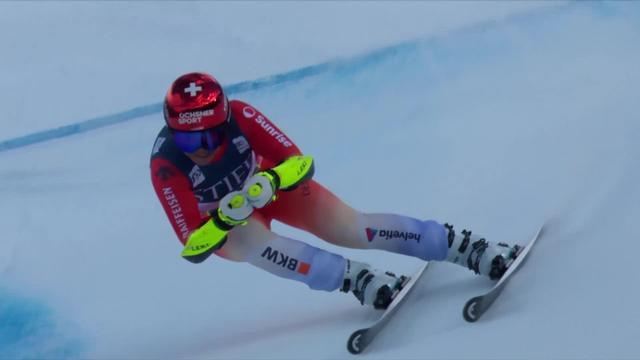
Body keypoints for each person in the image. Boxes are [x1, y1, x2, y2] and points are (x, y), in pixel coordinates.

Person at [150, 72, 520, 309]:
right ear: (171, 133)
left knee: (350, 227)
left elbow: (300, 162)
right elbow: (193, 244)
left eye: (210, 136)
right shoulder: (166, 163)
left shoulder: (243, 116)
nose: (200, 148)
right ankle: (352, 277)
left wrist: (273, 179)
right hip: (226, 222)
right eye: (186, 139)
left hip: (267, 185)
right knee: (255, 246)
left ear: (226, 122)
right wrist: (223, 219)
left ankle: (459, 245)